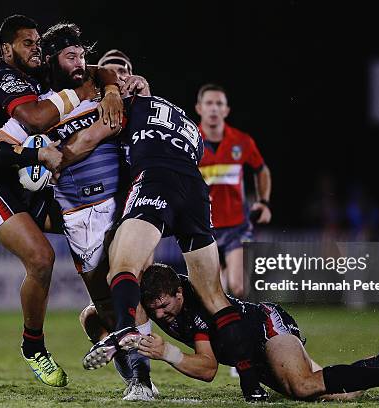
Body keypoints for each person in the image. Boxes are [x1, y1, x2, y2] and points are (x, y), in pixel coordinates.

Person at [70, 93, 270, 401]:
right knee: (216, 297)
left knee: (123, 269)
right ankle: (251, 385)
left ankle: (125, 332)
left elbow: (92, 138)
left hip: (155, 179)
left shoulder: (126, 103)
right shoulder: (190, 128)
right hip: (195, 190)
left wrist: (55, 158)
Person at [0, 14, 122, 387]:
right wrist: (79, 98)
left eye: (38, 43)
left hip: (27, 185)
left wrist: (112, 88)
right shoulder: (3, 78)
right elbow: (29, 124)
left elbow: (97, 69)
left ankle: (105, 317)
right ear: (7, 50)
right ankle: (33, 346)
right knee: (41, 258)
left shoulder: (44, 75)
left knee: (85, 230)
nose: (35, 49)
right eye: (26, 44)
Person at [0, 23, 155, 400]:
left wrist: (127, 86)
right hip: (80, 216)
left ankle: (144, 382)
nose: (80, 62)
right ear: (53, 60)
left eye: (83, 55)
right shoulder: (41, 108)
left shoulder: (101, 88)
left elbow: (130, 109)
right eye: (71, 56)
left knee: (131, 297)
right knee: (104, 307)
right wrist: (34, 159)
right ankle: (126, 366)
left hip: (122, 204)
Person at [136, 263, 379, 401]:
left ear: (179, 292)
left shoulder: (196, 304)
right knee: (333, 395)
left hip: (266, 327)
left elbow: (207, 369)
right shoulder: (155, 303)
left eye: (164, 306)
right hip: (249, 354)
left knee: (302, 386)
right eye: (154, 310)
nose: (160, 315)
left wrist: (167, 353)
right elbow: (99, 312)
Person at [196, 84, 272, 298]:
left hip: (236, 226)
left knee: (237, 287)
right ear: (199, 108)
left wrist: (263, 202)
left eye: (219, 104)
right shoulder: (190, 141)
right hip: (203, 226)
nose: (214, 108)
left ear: (226, 110)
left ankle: (244, 328)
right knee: (214, 292)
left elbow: (261, 169)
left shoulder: (242, 141)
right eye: (209, 103)